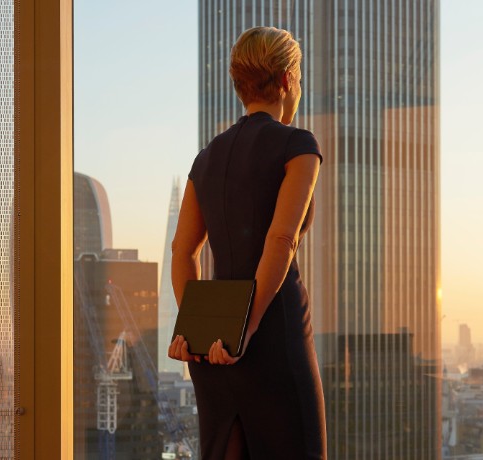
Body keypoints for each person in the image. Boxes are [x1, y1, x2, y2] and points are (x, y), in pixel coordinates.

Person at [168, 26, 326, 459]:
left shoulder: (207, 156)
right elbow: (281, 240)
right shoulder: (299, 145)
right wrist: (248, 328)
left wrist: (197, 331)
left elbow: (183, 252)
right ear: (287, 81)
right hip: (274, 335)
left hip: (214, 348)